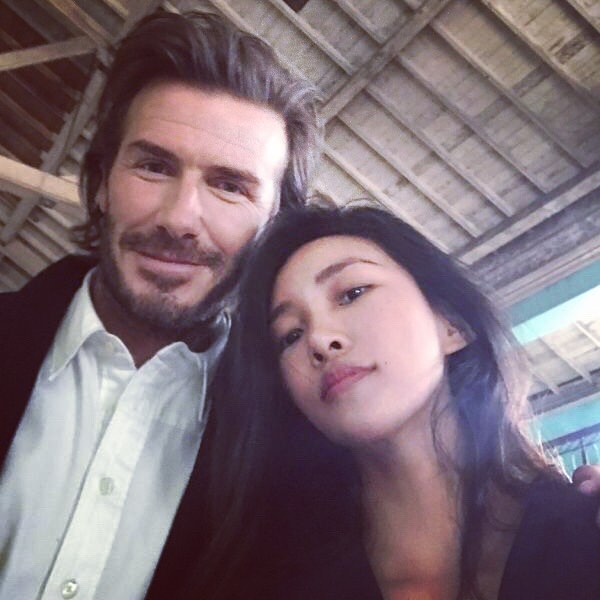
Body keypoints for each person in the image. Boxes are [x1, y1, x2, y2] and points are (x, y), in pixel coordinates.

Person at [0, 9, 319, 600]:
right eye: (153, 166)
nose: (179, 218)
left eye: (229, 185)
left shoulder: (293, 456)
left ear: (275, 226)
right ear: (101, 183)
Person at [213, 204, 600, 599]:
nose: (319, 340)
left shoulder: (584, 534)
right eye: (290, 335)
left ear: (452, 324)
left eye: (352, 293)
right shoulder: (275, 583)